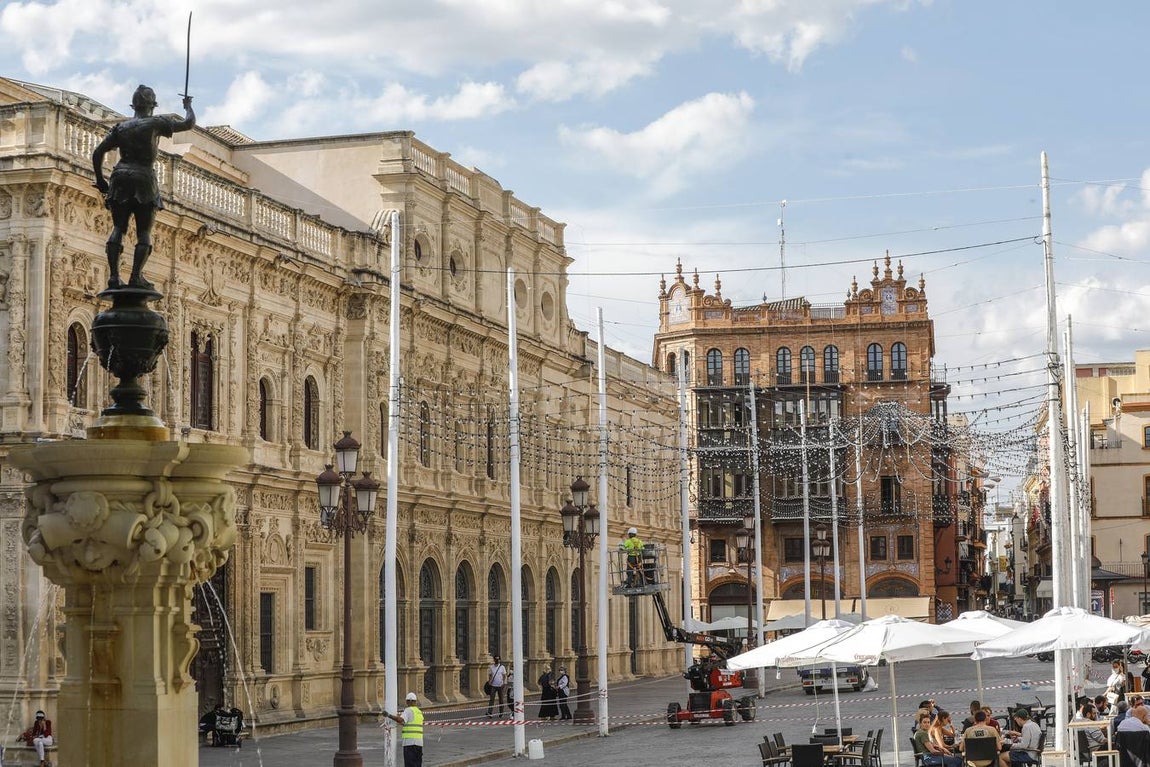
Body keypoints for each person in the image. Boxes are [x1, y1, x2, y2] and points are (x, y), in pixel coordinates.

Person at [91, 84, 195, 291]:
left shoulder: (121, 128)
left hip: (119, 177)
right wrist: (188, 106)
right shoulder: (156, 123)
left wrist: (101, 180)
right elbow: (188, 124)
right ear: (153, 105)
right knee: (143, 232)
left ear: (133, 105)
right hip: (143, 177)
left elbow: (98, 152)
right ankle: (136, 276)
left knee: (118, 227)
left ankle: (113, 276)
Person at [383, 692, 424, 767]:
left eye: (407, 701)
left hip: (410, 743)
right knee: (417, 764)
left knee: (409, 764)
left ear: (409, 701)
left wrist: (388, 715)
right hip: (419, 743)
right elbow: (409, 723)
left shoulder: (408, 710)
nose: (406, 703)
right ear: (415, 701)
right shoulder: (419, 712)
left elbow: (400, 720)